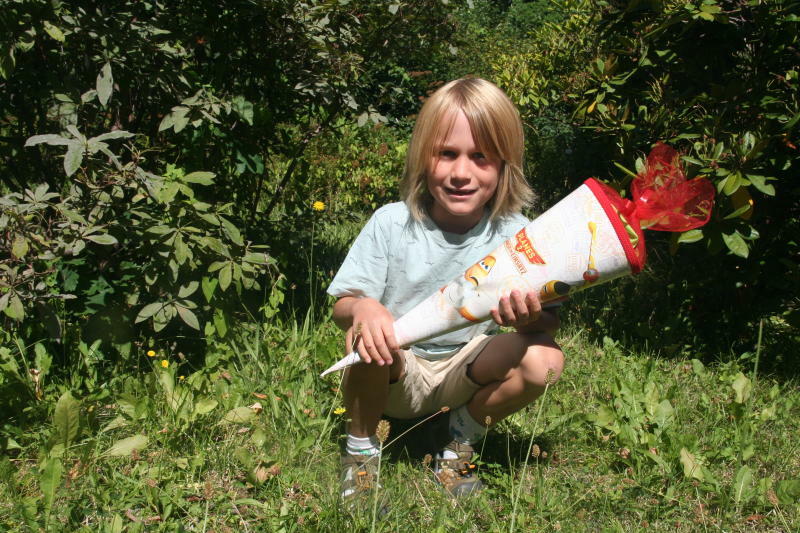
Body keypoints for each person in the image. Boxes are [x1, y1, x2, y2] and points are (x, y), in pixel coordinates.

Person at [327, 77, 565, 503]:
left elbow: (549, 319)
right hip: (397, 370)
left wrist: (530, 317)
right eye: (446, 154)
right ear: (423, 157)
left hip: (468, 369)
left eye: (481, 158)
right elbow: (343, 305)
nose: (461, 173)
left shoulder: (518, 236)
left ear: (504, 164)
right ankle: (360, 452)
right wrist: (364, 308)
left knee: (545, 358)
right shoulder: (391, 223)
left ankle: (458, 445)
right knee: (363, 337)